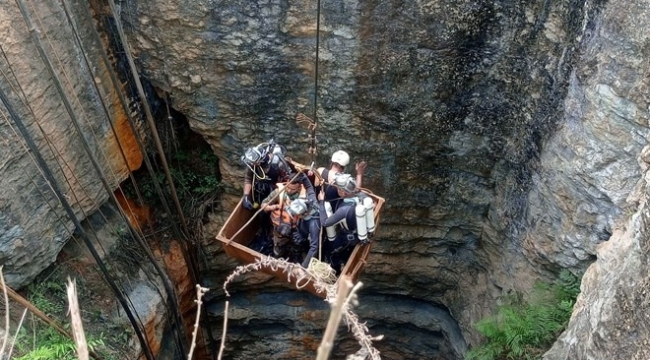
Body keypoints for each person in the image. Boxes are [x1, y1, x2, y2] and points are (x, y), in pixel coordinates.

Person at [317, 174, 375, 273]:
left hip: (348, 238)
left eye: (338, 189)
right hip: (359, 232)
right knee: (344, 252)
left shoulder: (343, 210)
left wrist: (321, 202)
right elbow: (373, 203)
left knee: (329, 250)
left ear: (343, 192)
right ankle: (345, 260)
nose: (337, 190)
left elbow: (325, 223)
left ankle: (336, 272)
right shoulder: (361, 195)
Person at [260, 173, 317, 261]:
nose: (289, 190)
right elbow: (264, 204)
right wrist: (272, 207)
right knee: (278, 248)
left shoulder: (305, 198)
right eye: (288, 187)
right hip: (280, 228)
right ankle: (277, 257)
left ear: (299, 187)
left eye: (292, 189)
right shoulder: (279, 192)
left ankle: (296, 256)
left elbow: (311, 215)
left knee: (297, 247)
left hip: (297, 230)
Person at [241, 140, 293, 210]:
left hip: (275, 193)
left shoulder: (279, 164)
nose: (252, 164)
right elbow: (248, 179)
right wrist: (246, 196)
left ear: (261, 160)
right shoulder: (253, 164)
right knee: (260, 212)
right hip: (259, 192)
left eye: (254, 163)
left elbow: (288, 182)